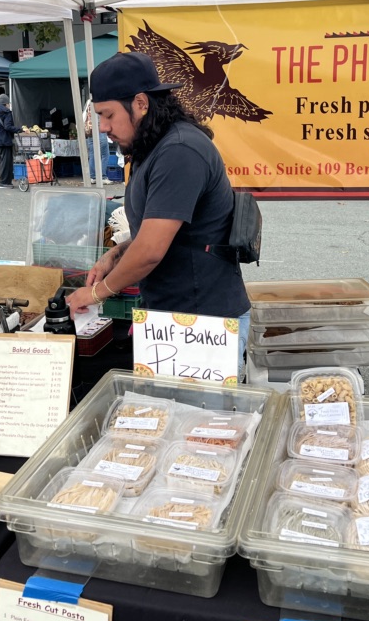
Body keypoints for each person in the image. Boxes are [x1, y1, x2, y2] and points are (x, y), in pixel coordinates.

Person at [66, 52, 251, 377]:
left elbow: (151, 251)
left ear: (140, 103)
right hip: (169, 318)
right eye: (98, 116)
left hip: (204, 321)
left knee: (203, 423)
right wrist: (118, 252)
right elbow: (161, 231)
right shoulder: (151, 147)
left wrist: (95, 293)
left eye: (108, 115)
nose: (103, 127)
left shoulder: (180, 151)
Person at [0, 94, 19, 189]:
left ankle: (6, 181)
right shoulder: (7, 112)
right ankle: (3, 182)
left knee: (3, 162)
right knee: (6, 162)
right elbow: (7, 127)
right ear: (6, 103)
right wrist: (19, 129)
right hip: (4, 140)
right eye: (8, 103)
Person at [83, 101, 112, 185]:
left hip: (90, 130)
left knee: (92, 154)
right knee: (105, 154)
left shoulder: (89, 101)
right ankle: (102, 177)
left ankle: (92, 177)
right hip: (100, 129)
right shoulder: (101, 100)